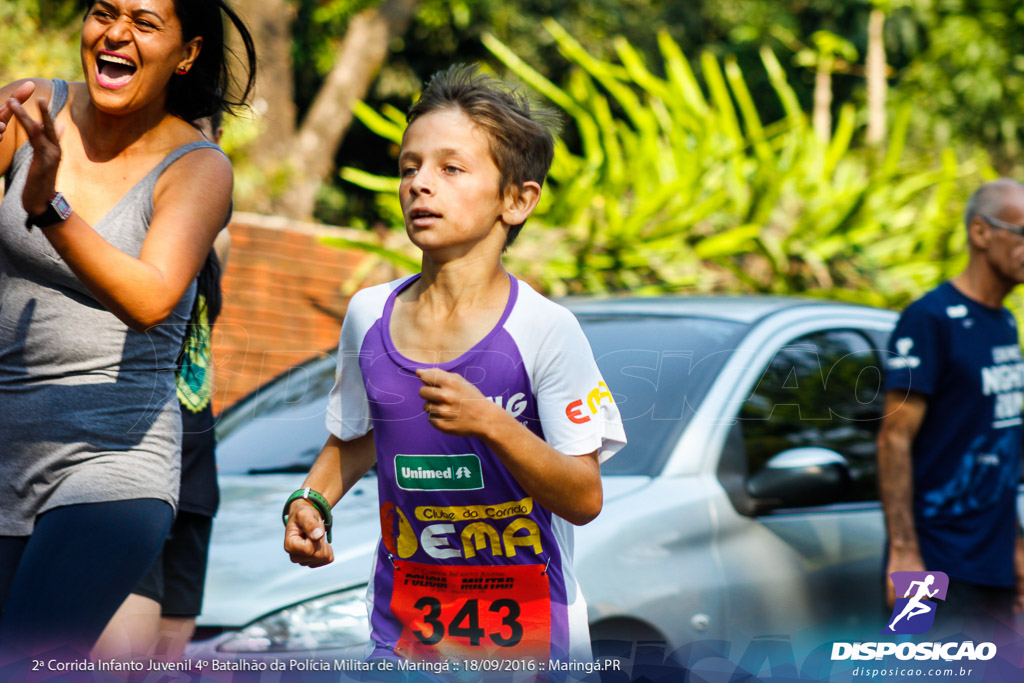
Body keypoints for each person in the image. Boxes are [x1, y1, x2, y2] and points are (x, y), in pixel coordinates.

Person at [282, 64, 626, 666]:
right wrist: (310, 502)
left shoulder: (546, 330)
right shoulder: (368, 315)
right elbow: (358, 438)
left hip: (529, 647)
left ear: (517, 200)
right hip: (403, 637)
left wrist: (490, 422)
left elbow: (584, 497)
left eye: (451, 168)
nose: (420, 184)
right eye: (409, 167)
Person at [0, 0, 255, 660]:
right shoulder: (28, 109)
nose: (116, 33)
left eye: (144, 22)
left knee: (25, 661)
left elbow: (150, 297)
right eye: (103, 12)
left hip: (111, 466)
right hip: (7, 450)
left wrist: (51, 207)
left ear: (187, 51)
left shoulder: (199, 168)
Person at [92, 112, 231, 662]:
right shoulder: (116, 217)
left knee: (167, 661)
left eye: (202, 129)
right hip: (132, 456)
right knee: (121, 654)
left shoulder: (214, 232)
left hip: (194, 460)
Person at [878, 178, 1024, 632]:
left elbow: (1001, 445)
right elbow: (893, 438)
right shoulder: (929, 318)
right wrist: (904, 553)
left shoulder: (1004, 323)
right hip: (933, 558)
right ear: (980, 233)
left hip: (994, 559)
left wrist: (1017, 546)